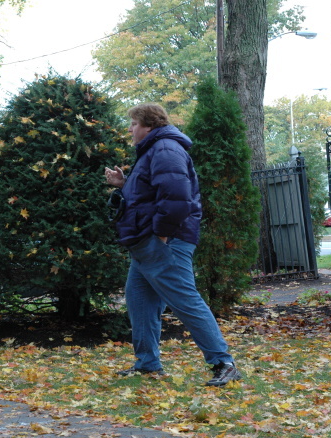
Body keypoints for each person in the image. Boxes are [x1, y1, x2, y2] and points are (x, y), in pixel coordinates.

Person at [104, 103, 242, 387]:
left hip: (165, 242)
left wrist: (162, 236)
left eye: (133, 124)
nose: (130, 129)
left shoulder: (165, 148)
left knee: (185, 301)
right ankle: (147, 364)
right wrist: (124, 184)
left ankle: (223, 362)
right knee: (139, 301)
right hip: (147, 244)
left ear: (149, 126)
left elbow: (178, 196)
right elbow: (153, 193)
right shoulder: (156, 150)